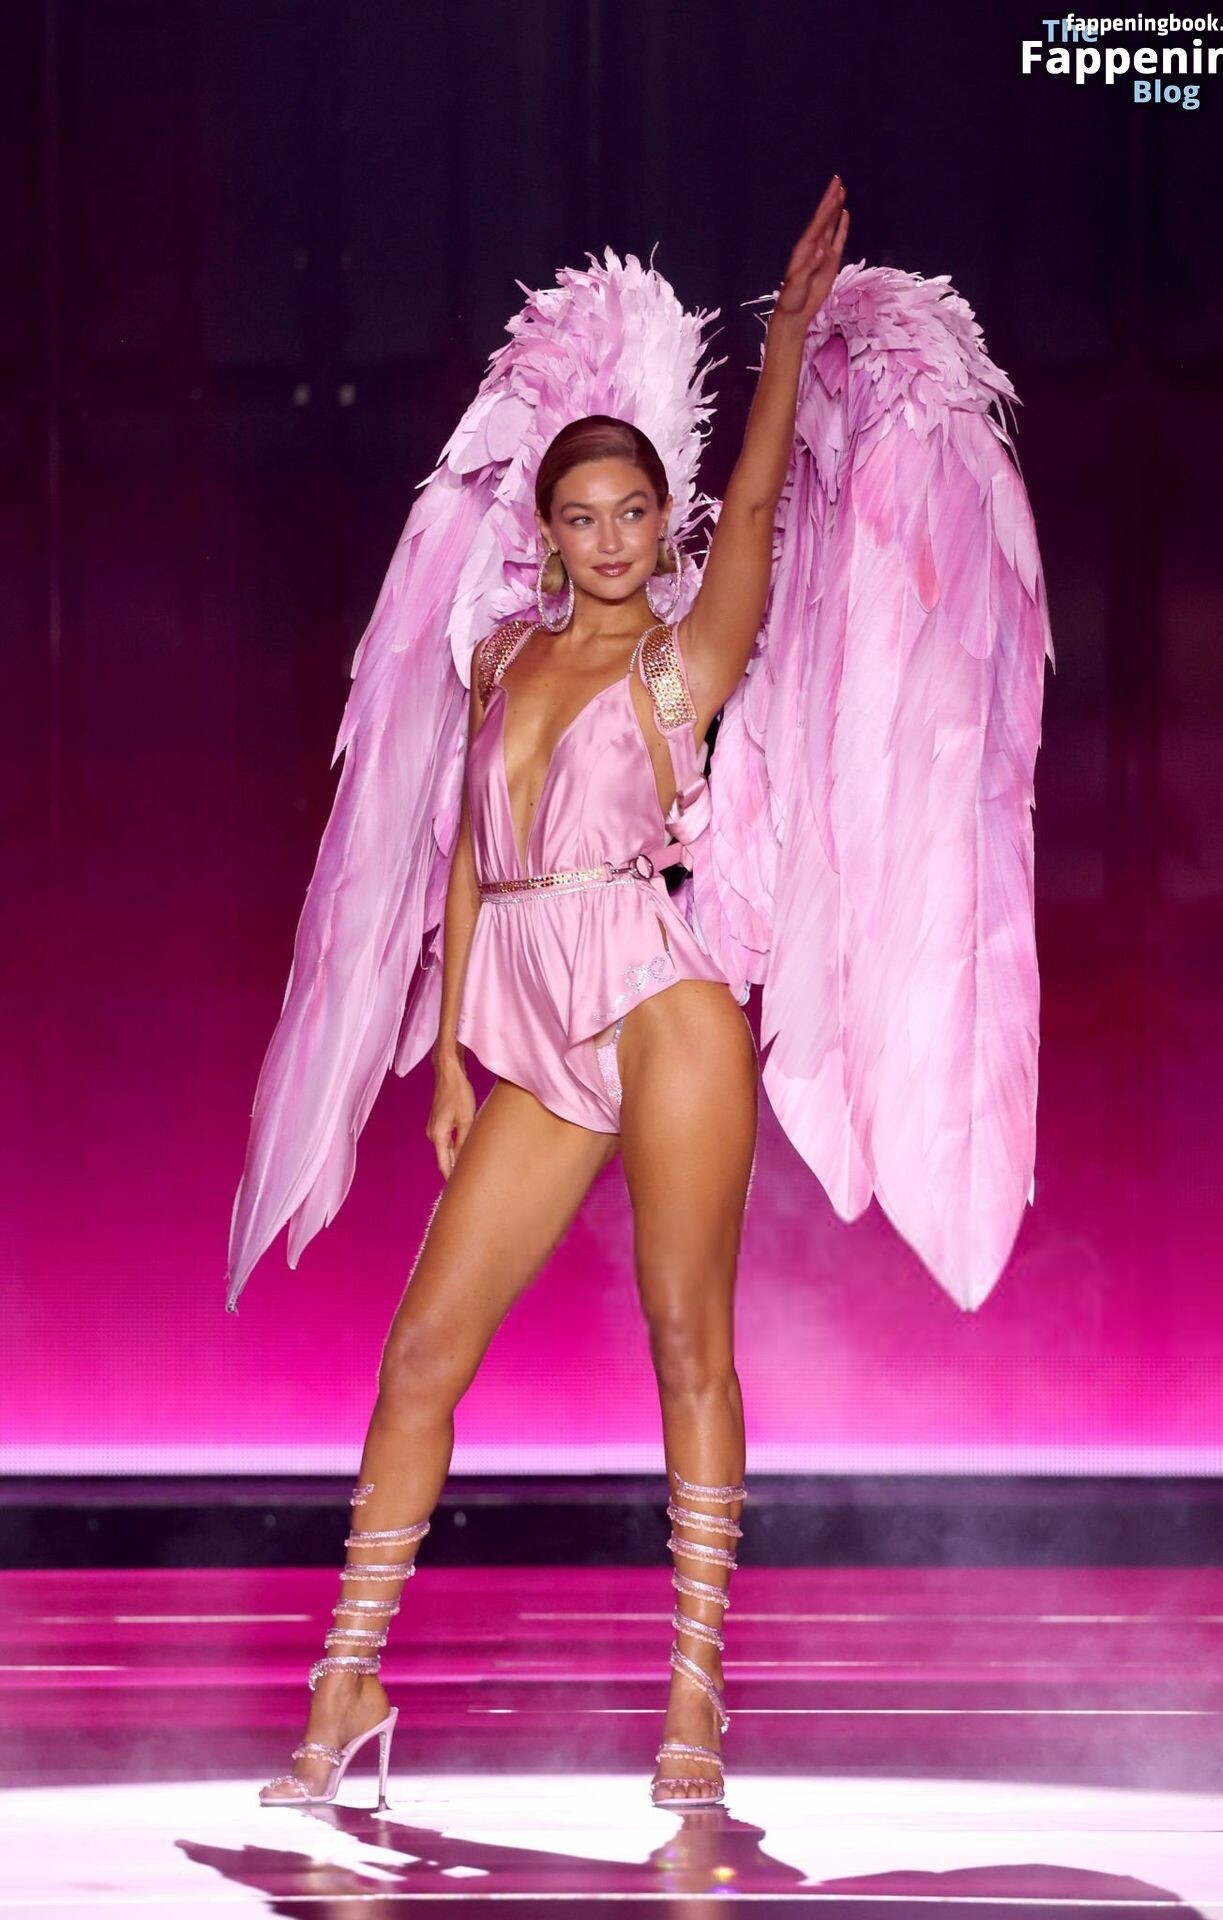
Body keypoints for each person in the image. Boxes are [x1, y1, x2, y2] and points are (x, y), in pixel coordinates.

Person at [257, 175, 851, 1812]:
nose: (605, 539)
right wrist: (454, 1057)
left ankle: (695, 1697)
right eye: (579, 517)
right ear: (548, 528)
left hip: (661, 1006)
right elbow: (466, 854)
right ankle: (349, 1678)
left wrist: (787, 338)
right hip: (527, 1026)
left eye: (630, 515)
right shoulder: (501, 659)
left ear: (661, 525)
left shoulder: (685, 658)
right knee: (421, 1354)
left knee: (685, 1338)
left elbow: (760, 495)